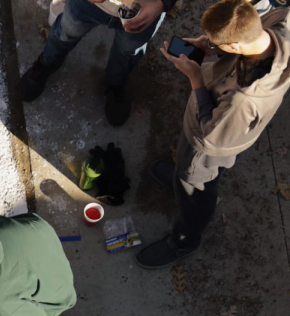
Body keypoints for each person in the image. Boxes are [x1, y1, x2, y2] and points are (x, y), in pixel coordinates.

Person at [136, 0, 290, 268]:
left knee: (197, 187)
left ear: (233, 46)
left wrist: (195, 78)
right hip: (231, 125)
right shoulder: (279, 21)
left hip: (208, 145)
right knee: (185, 175)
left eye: (218, 42)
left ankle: (185, 239)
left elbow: (210, 137)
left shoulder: (244, 98)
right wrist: (206, 46)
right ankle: (180, 179)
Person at [20, 0, 171, 126]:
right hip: (88, 5)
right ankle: (46, 63)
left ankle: (115, 84)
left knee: (128, 51)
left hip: (143, 10)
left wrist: (162, 3)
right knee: (67, 30)